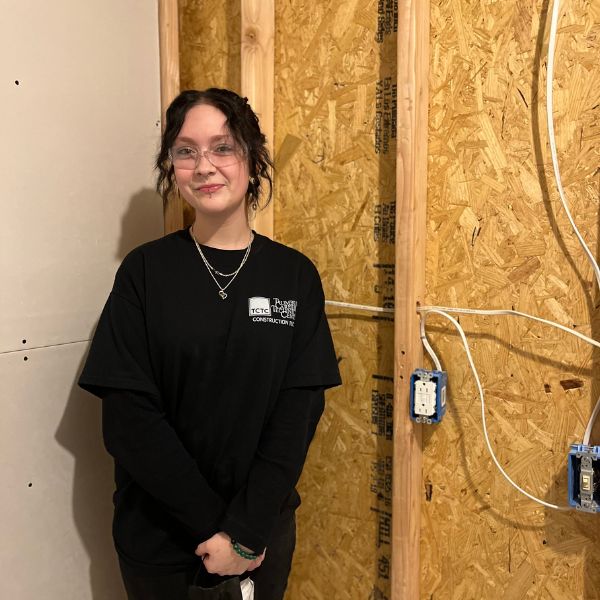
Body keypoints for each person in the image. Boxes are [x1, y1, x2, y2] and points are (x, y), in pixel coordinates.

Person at [78, 88, 341, 600]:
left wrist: (244, 533)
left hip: (260, 536)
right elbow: (128, 419)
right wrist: (211, 529)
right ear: (170, 165)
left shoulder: (294, 276)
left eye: (223, 147)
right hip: (161, 538)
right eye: (185, 150)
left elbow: (299, 411)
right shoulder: (144, 272)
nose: (205, 166)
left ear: (252, 157)